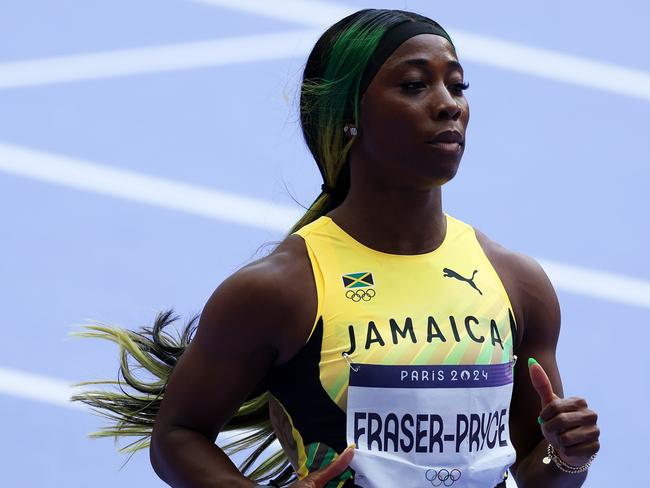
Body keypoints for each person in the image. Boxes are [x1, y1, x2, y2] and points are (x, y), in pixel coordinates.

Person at [72, 8, 600, 488]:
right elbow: (178, 436)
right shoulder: (283, 289)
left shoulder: (515, 283)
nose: (447, 105)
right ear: (350, 115)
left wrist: (567, 455)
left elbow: (538, 475)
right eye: (415, 85)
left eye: (457, 86)